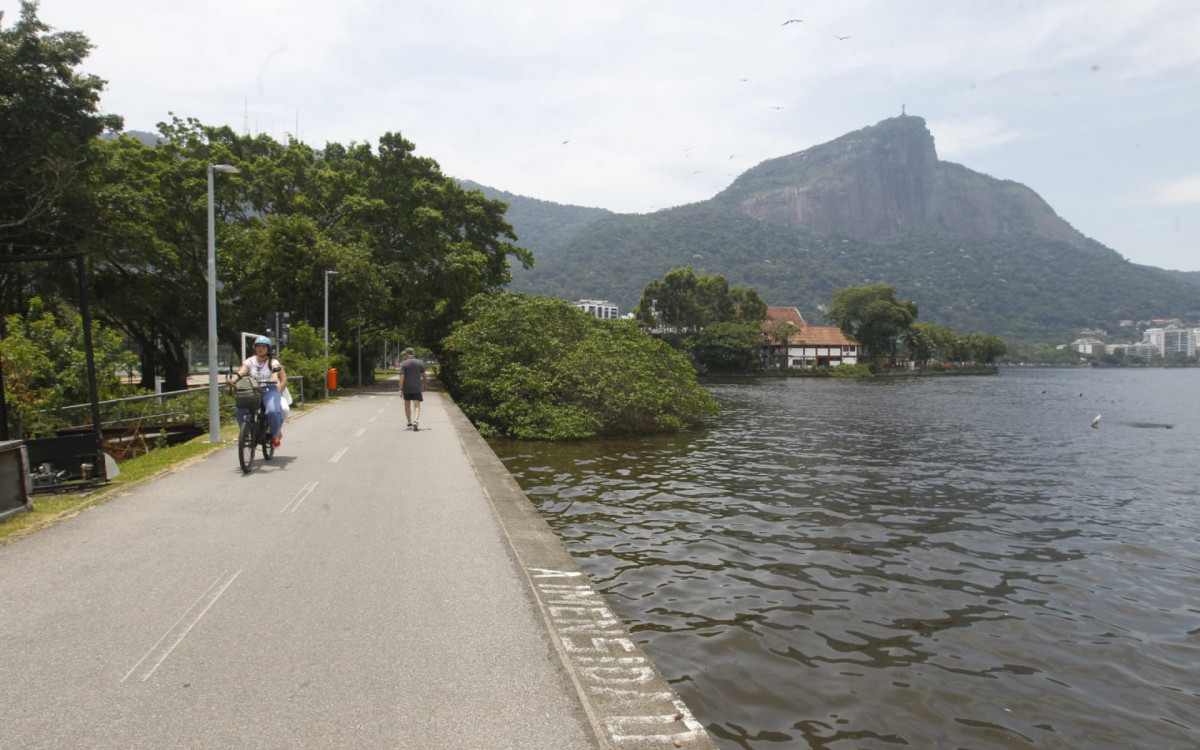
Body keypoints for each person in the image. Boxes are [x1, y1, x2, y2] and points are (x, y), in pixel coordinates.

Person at [232, 335, 286, 447]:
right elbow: (242, 371)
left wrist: (274, 378)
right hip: (253, 389)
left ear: (268, 349)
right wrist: (234, 379)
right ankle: (245, 433)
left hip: (269, 389)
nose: (260, 349)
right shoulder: (250, 361)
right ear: (255, 348)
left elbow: (276, 372)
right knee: (241, 408)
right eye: (258, 346)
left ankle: (275, 434)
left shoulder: (273, 362)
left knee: (273, 411)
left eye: (263, 347)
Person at [399, 347, 427, 430]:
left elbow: (402, 376)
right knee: (417, 405)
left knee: (407, 405)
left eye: (404, 354)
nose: (404, 356)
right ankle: (415, 420)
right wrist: (424, 384)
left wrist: (400, 389)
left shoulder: (403, 364)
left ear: (407, 354)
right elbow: (424, 375)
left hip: (407, 388)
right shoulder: (420, 363)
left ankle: (409, 422)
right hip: (416, 387)